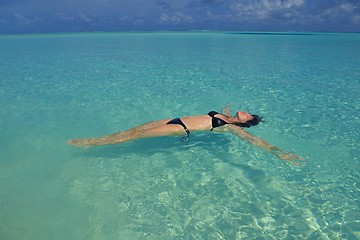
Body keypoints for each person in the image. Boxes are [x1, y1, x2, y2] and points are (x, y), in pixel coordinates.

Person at [67, 103, 302, 165]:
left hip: (181, 128)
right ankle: (99, 140)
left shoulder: (231, 127)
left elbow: (256, 142)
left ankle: (92, 143)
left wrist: (279, 153)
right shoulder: (226, 115)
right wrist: (228, 108)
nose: (246, 112)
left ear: (245, 123)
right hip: (174, 118)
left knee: (135, 137)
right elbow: (227, 109)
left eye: (248, 115)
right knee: (134, 129)